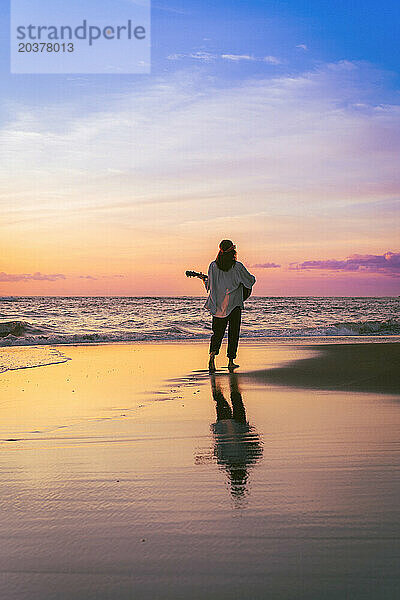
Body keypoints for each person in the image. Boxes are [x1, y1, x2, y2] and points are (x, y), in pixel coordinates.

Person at [204, 240, 256, 372]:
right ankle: (231, 361)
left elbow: (210, 285)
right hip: (234, 304)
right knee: (233, 333)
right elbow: (250, 280)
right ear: (232, 251)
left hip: (218, 305)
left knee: (217, 333)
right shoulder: (237, 266)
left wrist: (203, 279)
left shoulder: (212, 266)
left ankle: (212, 357)